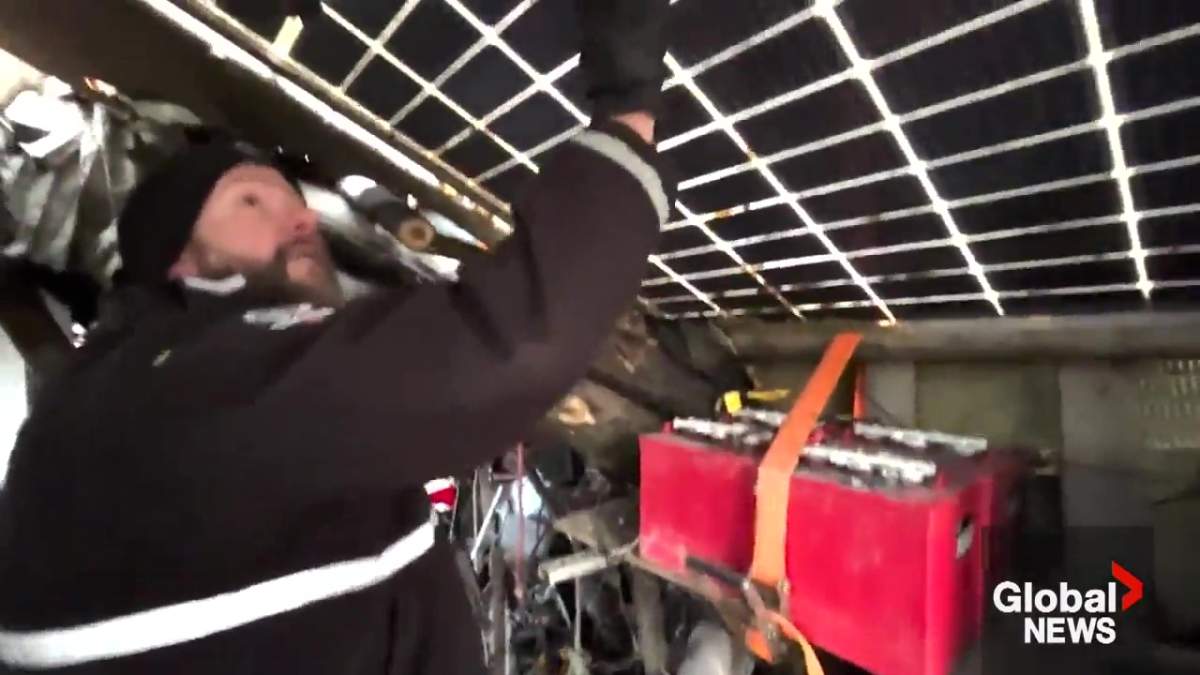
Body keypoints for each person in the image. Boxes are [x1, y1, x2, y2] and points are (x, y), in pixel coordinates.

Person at [0, 1, 671, 672]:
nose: (299, 220)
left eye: (296, 204)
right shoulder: (162, 384)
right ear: (182, 262)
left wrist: (625, 121)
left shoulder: (148, 392)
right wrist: (628, 104)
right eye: (251, 200)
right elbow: (507, 344)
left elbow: (500, 349)